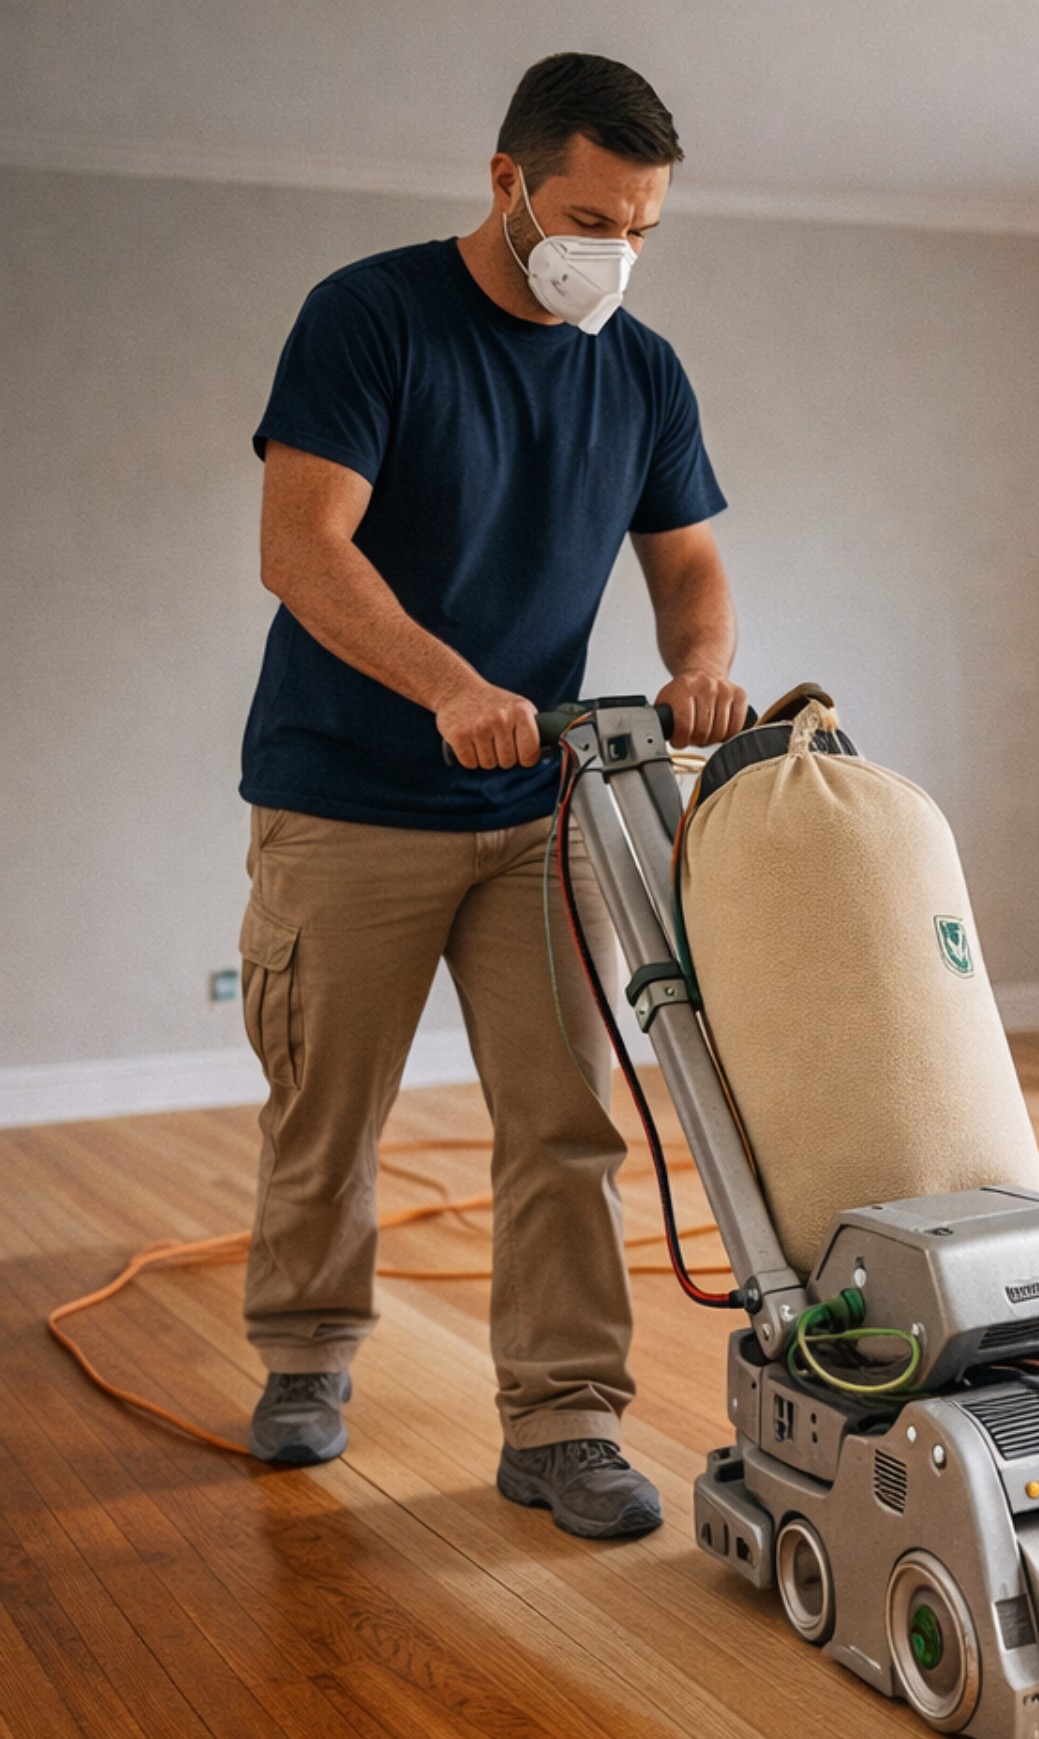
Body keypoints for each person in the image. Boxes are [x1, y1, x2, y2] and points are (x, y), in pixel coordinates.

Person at [236, 52, 748, 1537]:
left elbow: (690, 561)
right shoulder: (371, 317)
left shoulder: (640, 369)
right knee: (328, 1110)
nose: (617, 253)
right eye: (592, 219)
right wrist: (451, 685)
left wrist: (702, 666)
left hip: (540, 811)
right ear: (508, 181)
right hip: (347, 797)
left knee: (567, 1122)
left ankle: (565, 1421)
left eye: (643, 230)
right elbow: (302, 548)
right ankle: (306, 1356)